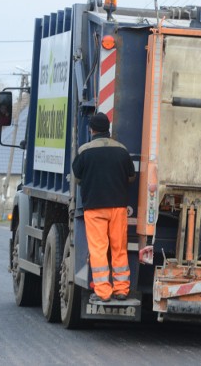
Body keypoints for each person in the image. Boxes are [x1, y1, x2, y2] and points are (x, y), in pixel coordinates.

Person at [72, 112, 136, 303]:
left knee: (99, 250)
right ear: (108, 128)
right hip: (118, 208)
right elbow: (131, 177)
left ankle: (103, 292)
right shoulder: (122, 150)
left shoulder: (85, 151)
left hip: (95, 208)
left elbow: (77, 178)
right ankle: (122, 290)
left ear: (91, 129)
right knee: (119, 248)